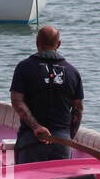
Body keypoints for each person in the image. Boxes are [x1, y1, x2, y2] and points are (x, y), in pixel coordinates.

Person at [9, 25, 84, 165]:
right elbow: (78, 110)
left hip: (31, 142)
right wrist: (67, 138)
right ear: (59, 44)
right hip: (62, 144)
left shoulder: (24, 67)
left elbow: (17, 101)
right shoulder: (73, 72)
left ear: (37, 42)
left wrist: (36, 127)